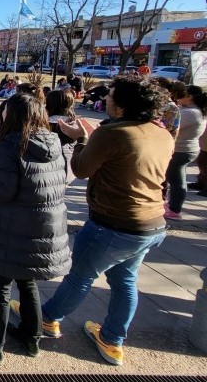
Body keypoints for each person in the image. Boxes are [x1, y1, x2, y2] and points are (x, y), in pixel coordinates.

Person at [27, 75, 174, 367]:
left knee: (80, 277)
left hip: (114, 224)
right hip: (151, 223)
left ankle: (48, 320)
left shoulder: (113, 134)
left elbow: (80, 169)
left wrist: (82, 138)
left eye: (111, 96)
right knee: (125, 282)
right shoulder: (161, 132)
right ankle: (112, 339)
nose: (105, 99)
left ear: (122, 106)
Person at [0, 94, 70, 364]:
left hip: (14, 227)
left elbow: (3, 191)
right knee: (28, 281)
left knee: (0, 286)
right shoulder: (54, 141)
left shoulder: (11, 144)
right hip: (45, 225)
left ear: (11, 116)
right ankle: (30, 338)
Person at [165, 84, 207, 220]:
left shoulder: (190, 113)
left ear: (189, 97)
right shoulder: (193, 110)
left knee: (176, 180)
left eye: (182, 94)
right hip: (186, 149)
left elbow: (169, 123)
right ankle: (172, 206)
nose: (177, 97)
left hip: (181, 150)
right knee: (176, 178)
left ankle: (174, 209)